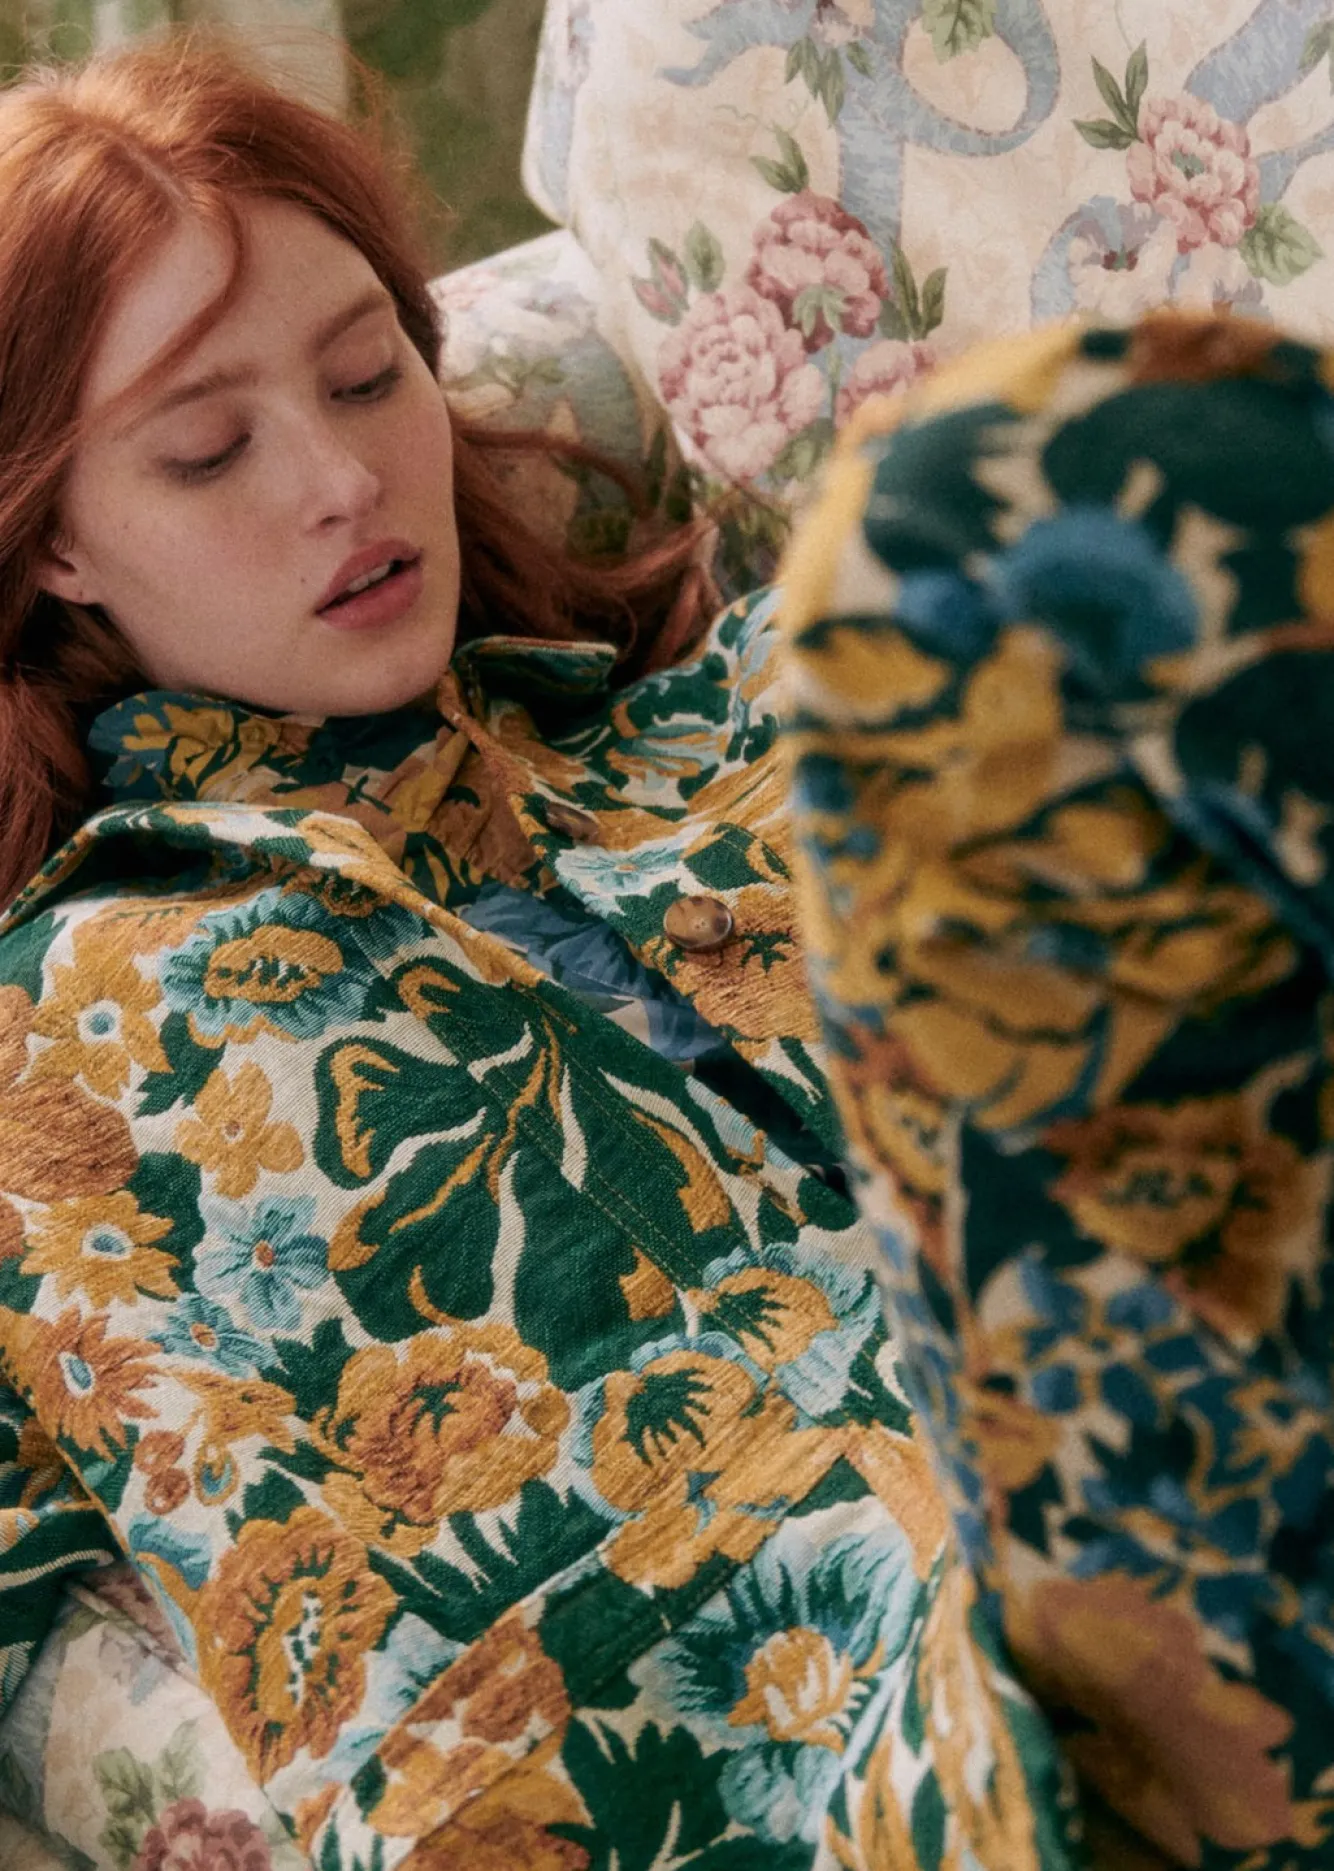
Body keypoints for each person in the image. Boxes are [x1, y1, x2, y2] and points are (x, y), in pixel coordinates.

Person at [0, 31, 1325, 1871]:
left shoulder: (739, 715)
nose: (344, 477)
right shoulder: (71, 1011)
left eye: (371, 375)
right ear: (54, 540)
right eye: (209, 450)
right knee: (998, 515)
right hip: (887, 1764)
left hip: (1191, 1484)